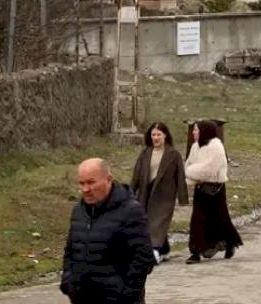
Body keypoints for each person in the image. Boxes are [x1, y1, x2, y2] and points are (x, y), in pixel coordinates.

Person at [61, 158, 155, 303]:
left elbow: (143, 259)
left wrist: (126, 292)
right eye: (81, 183)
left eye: (91, 182)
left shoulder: (130, 211)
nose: (85, 189)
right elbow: (71, 251)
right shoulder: (79, 211)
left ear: (109, 179)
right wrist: (68, 282)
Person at [184, 121, 242, 263]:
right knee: (197, 220)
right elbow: (189, 164)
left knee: (220, 219)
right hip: (200, 189)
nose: (193, 133)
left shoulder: (216, 146)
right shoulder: (195, 147)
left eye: (196, 130)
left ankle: (229, 242)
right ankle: (195, 252)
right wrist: (190, 175)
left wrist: (191, 172)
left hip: (215, 190)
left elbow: (209, 170)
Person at [129, 122, 188, 262]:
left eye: (158, 135)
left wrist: (183, 198)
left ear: (165, 136)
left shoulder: (173, 155)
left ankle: (154, 249)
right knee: (146, 221)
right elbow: (136, 174)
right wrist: (130, 192)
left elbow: (180, 177)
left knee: (157, 222)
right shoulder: (146, 152)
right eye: (153, 135)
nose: (155, 138)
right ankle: (164, 248)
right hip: (145, 192)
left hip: (164, 196)